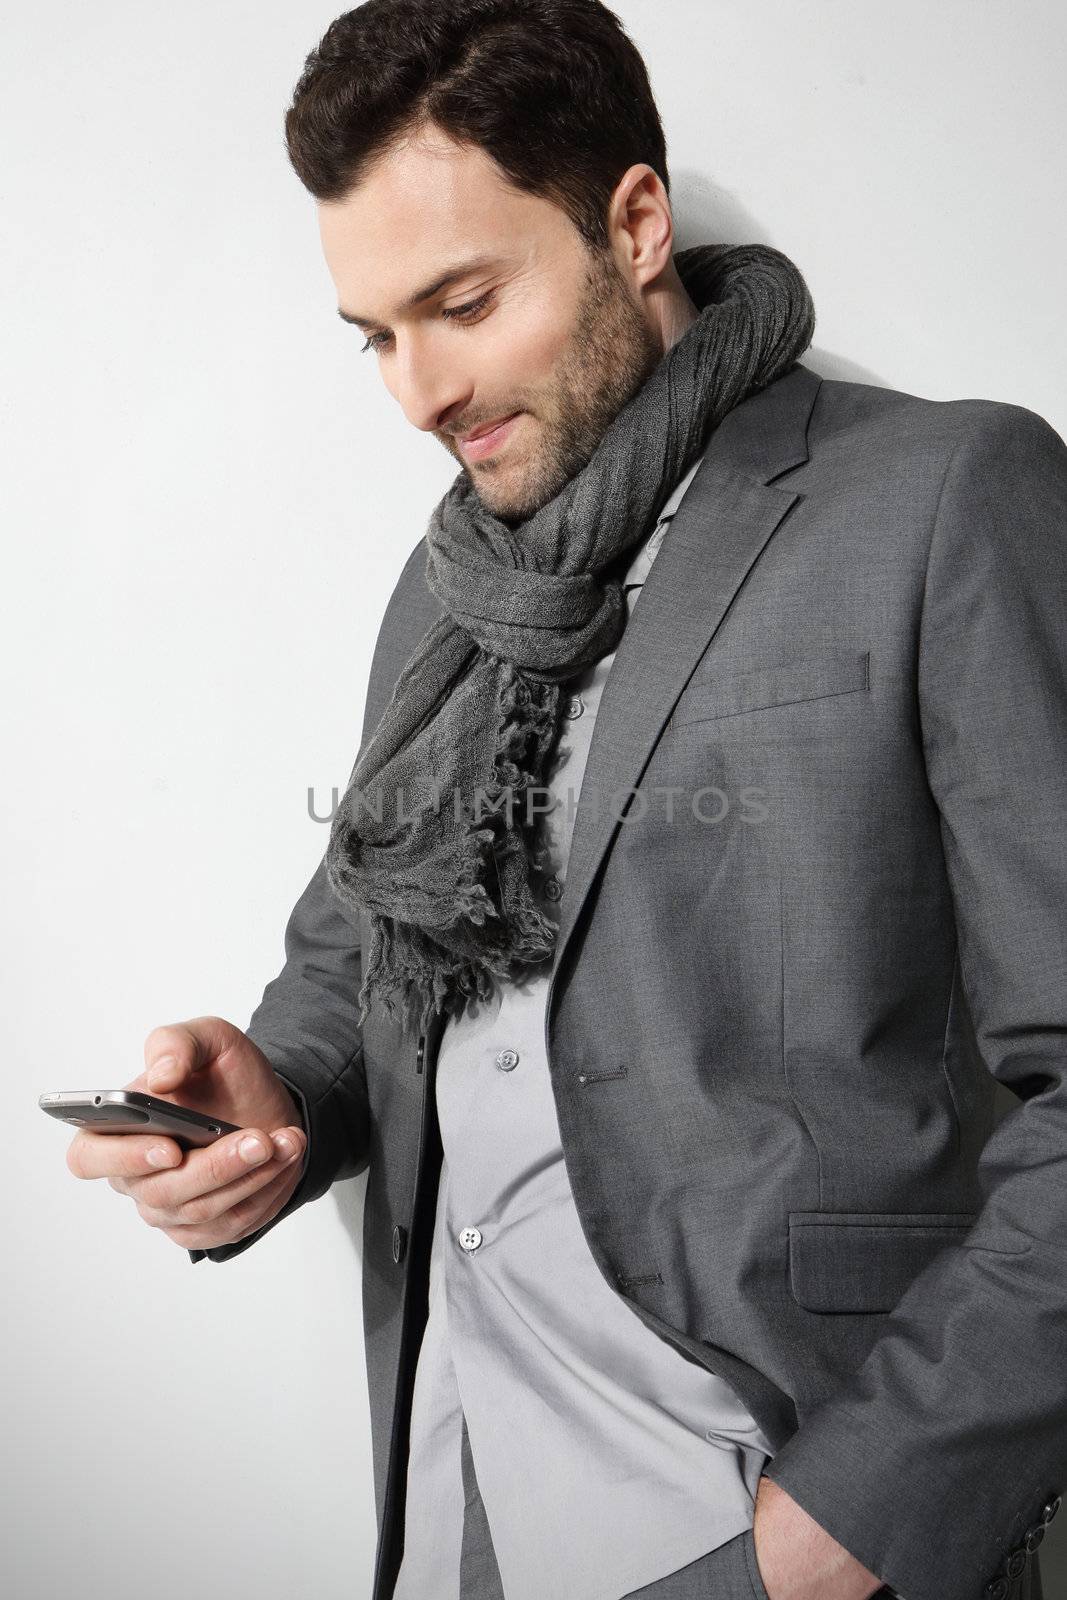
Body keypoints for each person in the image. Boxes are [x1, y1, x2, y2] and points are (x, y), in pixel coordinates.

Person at [64, 4, 1066, 1599]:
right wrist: (271, 1108)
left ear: (637, 222)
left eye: (462, 303)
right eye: (377, 334)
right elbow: (352, 969)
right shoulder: (447, 584)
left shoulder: (941, 499)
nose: (417, 393)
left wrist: (855, 1523)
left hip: (780, 1510)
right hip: (468, 1506)